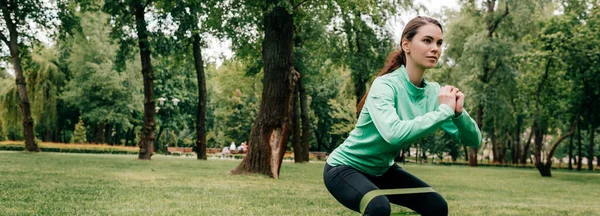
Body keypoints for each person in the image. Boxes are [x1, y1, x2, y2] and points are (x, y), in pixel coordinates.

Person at [323, 16, 482, 216]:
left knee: (437, 206)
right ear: (406, 45)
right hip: (344, 168)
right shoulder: (385, 85)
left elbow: (474, 140)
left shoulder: (434, 93)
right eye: (427, 40)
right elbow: (394, 134)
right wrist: (444, 112)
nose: (435, 48)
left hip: (382, 171)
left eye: (439, 43)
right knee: (377, 206)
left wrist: (458, 114)